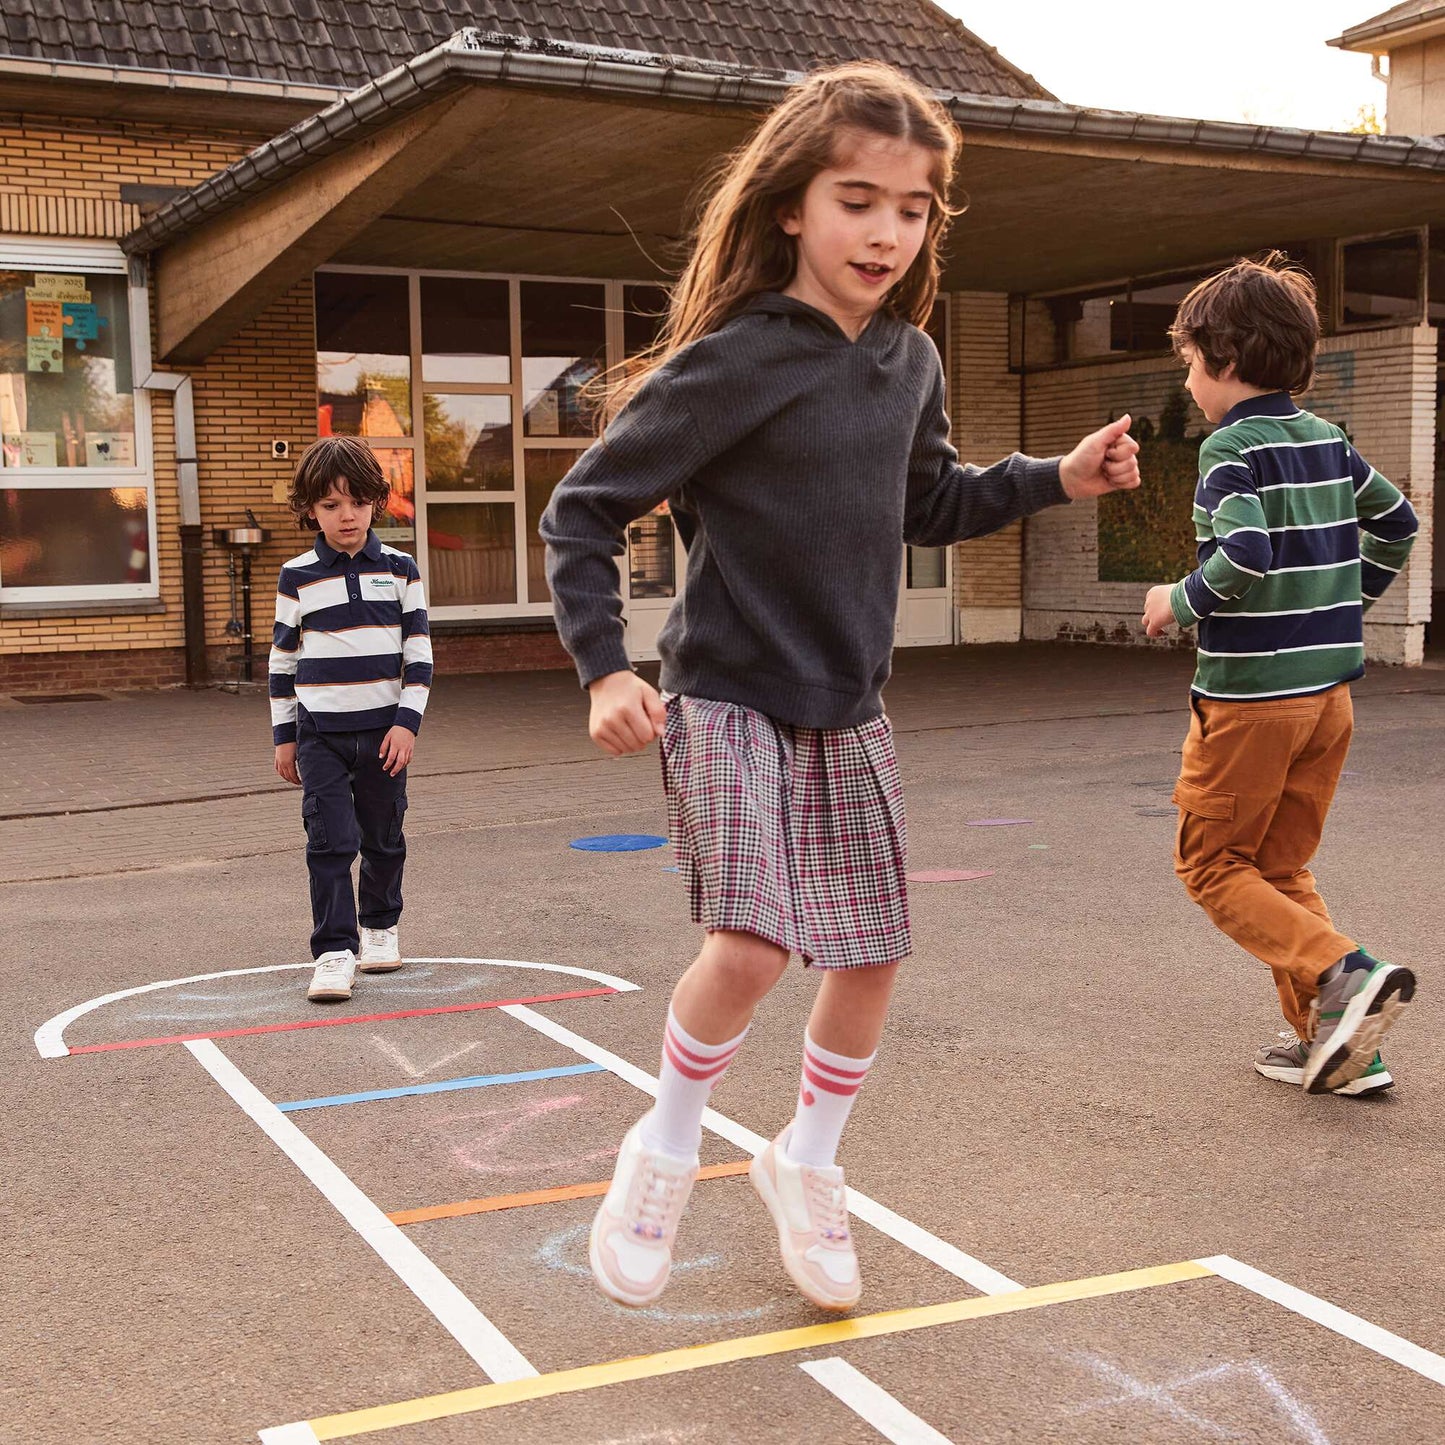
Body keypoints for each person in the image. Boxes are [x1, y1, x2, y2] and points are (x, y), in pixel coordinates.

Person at [540, 60, 1140, 1313]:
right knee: (753, 942)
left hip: (847, 703)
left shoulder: (910, 360)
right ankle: (659, 1147)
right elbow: (583, 508)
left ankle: (802, 1160)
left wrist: (1057, 478)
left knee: (868, 953)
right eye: (855, 199)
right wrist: (603, 667)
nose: (883, 231)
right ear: (789, 210)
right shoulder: (734, 360)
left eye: (910, 208)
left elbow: (930, 500)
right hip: (725, 693)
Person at [1141, 253, 1418, 1097]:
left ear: (1223, 361)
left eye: (1189, 362)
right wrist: (1344, 606)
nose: (1187, 381)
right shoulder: (1328, 441)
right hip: (1326, 699)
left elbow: (1244, 556)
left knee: (1212, 866)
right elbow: (1398, 525)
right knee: (1280, 870)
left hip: (1250, 703)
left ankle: (1344, 969)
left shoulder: (1231, 449)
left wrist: (1172, 602)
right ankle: (1339, 1048)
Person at [268, 436, 432, 1003]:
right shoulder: (298, 575)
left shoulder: (401, 569)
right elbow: (282, 661)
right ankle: (334, 953)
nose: (346, 515)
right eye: (332, 504)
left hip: (385, 735)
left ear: (375, 504)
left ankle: (380, 929)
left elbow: (419, 654)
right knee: (330, 842)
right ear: (310, 509)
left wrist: (407, 724)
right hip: (320, 738)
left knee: (384, 838)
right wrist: (285, 738)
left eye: (358, 503)